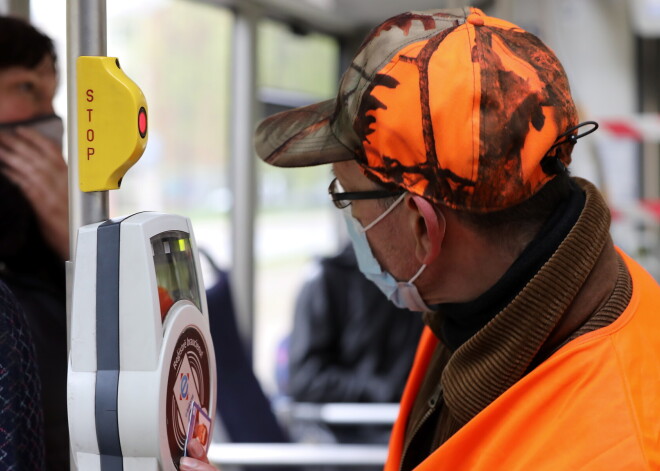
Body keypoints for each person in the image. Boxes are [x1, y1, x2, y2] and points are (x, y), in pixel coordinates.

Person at [182, 6, 660, 471]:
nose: (350, 219)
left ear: (419, 224)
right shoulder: (485, 306)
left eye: (346, 195)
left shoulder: (607, 449)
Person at [0, 15, 70, 471]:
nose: (48, 115)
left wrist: (73, 233)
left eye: (50, 95)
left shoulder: (47, 225)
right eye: (26, 89)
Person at [286, 243, 423, 445]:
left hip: (410, 429)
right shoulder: (328, 280)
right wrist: (378, 390)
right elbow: (305, 379)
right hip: (347, 440)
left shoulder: (424, 282)